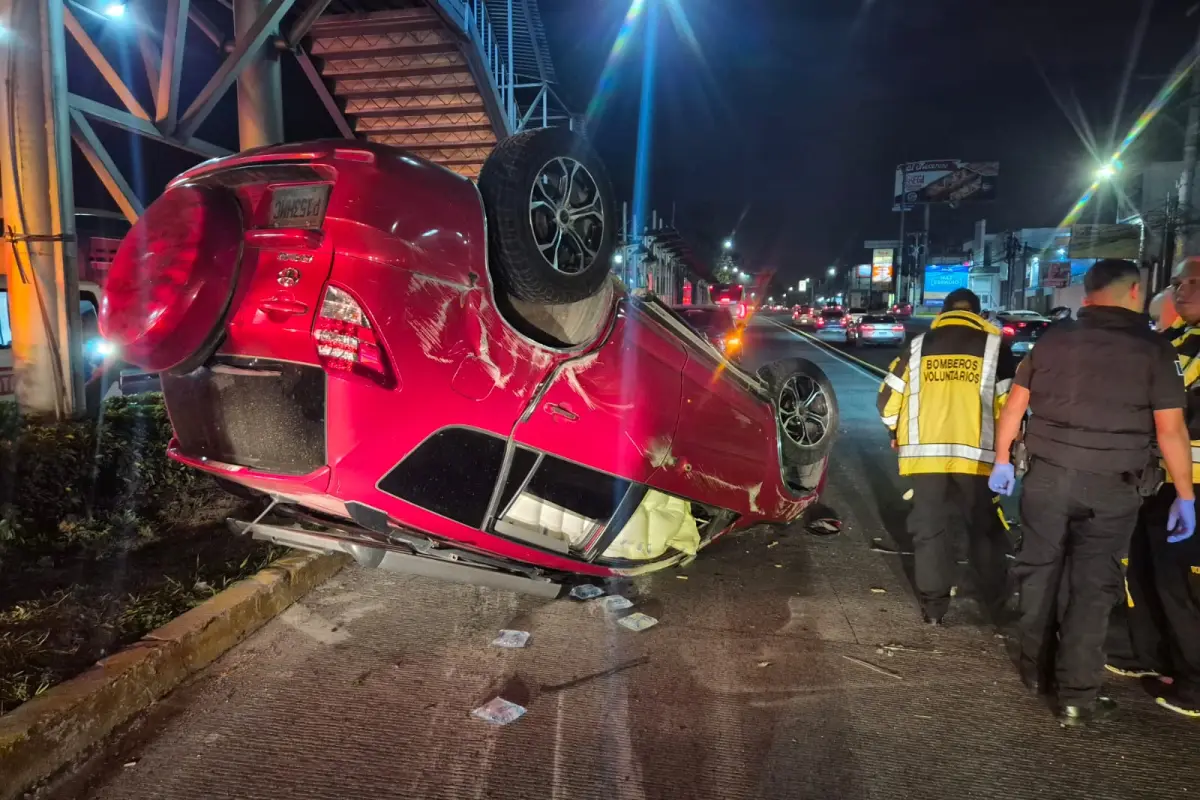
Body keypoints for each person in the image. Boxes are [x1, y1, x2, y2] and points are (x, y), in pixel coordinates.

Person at [989, 258, 1195, 728]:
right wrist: (1184, 494)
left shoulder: (1052, 339)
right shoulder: (1154, 351)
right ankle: (1076, 696)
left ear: (1088, 294)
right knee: (1093, 586)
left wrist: (1003, 460)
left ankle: (1036, 673)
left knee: (1038, 573)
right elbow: (1170, 430)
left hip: (1046, 478)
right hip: (1113, 486)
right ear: (1135, 292)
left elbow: (1014, 409)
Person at [876, 287, 1016, 626]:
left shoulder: (919, 346)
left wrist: (895, 433)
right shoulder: (997, 348)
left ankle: (934, 608)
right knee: (984, 528)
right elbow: (1010, 406)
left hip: (925, 457)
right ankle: (995, 604)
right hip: (979, 458)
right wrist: (1007, 454)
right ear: (978, 313)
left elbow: (886, 403)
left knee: (930, 530)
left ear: (945, 312)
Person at [1108, 256, 1200, 718]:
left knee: (1182, 585)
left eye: (1193, 282)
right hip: (1162, 481)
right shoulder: (1177, 343)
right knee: (1145, 573)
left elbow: (1177, 420)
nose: (1182, 290)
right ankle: (1153, 656)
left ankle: (1195, 681)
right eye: (1178, 282)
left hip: (1191, 487)